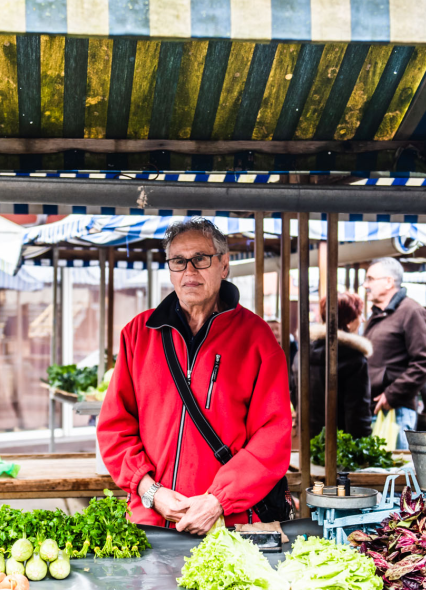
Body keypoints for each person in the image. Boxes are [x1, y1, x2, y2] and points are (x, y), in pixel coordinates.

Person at [97, 217, 292, 534]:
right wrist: (152, 493)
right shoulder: (138, 335)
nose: (189, 271)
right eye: (178, 261)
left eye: (200, 259)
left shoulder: (257, 339)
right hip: (153, 522)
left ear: (224, 265)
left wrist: (218, 500)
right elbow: (114, 429)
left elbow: (273, 437)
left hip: (230, 523)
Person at [362, 257, 426, 450]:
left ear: (389, 282)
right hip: (376, 410)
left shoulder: (411, 312)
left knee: (394, 476)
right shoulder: (379, 314)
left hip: (396, 412)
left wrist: (392, 394)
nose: (365, 285)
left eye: (370, 279)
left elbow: (425, 361)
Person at [307, 292, 373, 438]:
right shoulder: (354, 359)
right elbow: (357, 413)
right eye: (359, 314)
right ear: (349, 321)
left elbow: (294, 393)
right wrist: (362, 449)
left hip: (308, 440)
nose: (362, 319)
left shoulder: (304, 354)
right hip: (340, 445)